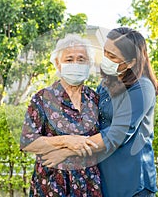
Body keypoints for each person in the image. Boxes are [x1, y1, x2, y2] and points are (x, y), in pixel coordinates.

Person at [41, 27, 158, 197]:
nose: (106, 59)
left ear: (131, 62)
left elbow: (116, 134)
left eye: (113, 56)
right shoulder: (106, 84)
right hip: (105, 175)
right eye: (105, 52)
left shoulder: (142, 87)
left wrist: (67, 152)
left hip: (132, 179)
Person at [20, 34, 102, 196]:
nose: (75, 64)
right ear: (58, 64)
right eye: (69, 59)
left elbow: (107, 138)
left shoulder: (95, 99)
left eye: (81, 59)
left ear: (89, 64)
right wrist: (66, 141)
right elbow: (27, 142)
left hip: (89, 183)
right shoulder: (43, 98)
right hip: (52, 184)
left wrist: (68, 151)